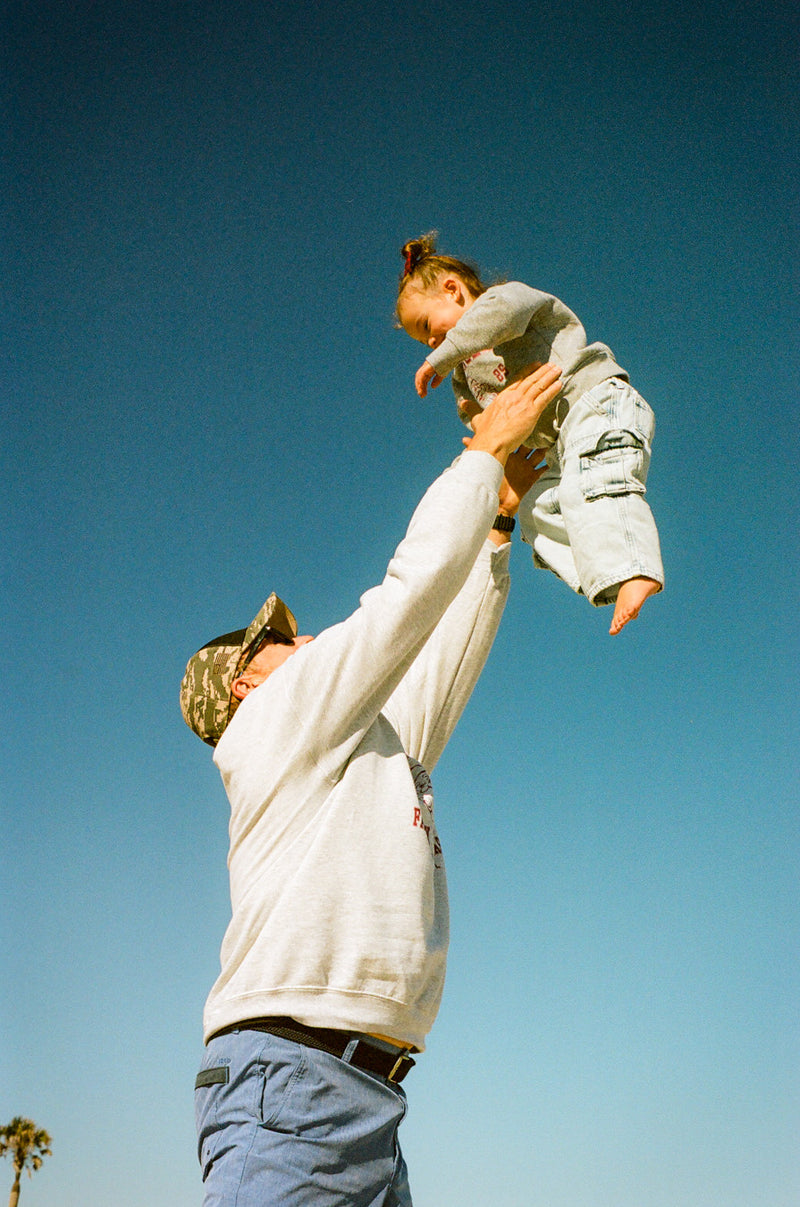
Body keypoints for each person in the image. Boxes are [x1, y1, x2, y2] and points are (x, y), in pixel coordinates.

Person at [179, 363, 563, 1206]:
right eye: (276, 641)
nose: (303, 636)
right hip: (291, 1091)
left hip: (364, 1099)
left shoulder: (358, 745)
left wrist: (497, 528)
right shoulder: (271, 724)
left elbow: (440, 665)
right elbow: (402, 604)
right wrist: (479, 458)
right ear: (245, 682)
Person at [396, 232, 665, 635]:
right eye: (424, 341)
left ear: (452, 290)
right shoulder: (463, 376)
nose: (432, 341)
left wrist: (441, 355)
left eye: (428, 327)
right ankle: (606, 574)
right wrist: (485, 444)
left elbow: (498, 319)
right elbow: (480, 417)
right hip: (560, 446)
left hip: (593, 402)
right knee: (536, 510)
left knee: (593, 484)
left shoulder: (501, 301)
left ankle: (633, 565)